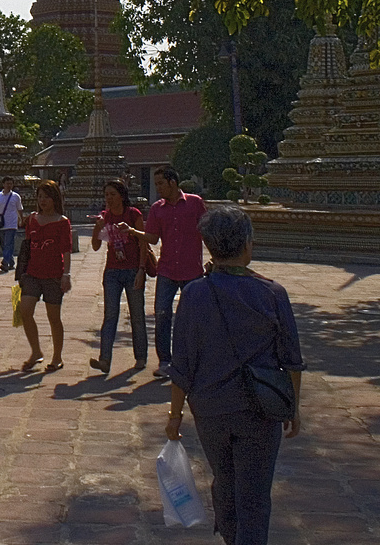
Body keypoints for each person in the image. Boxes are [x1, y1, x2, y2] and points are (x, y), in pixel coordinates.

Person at [164, 204, 304, 545]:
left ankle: (230, 536)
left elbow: (182, 363)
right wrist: (293, 406)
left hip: (210, 410)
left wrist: (174, 415)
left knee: (225, 481)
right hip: (260, 408)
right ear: (247, 244)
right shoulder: (272, 293)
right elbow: (291, 361)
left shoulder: (194, 293)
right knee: (254, 496)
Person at [142, 165, 207, 378]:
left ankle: (192, 360)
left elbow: (206, 231)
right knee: (161, 315)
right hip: (167, 269)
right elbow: (152, 237)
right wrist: (132, 232)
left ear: (172, 182)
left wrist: (216, 258)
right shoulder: (157, 209)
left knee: (192, 318)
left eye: (161, 183)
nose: (158, 188)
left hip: (192, 270)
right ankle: (165, 361)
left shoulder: (195, 203)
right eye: (156, 184)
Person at [89, 178, 147, 374]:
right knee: (110, 316)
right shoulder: (105, 217)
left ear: (121, 196)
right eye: (106, 195)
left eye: (113, 194)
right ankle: (104, 359)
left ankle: (140, 356)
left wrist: (141, 269)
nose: (109, 198)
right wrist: (98, 227)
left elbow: (143, 242)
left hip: (132, 269)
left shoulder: (133, 214)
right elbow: (96, 246)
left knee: (137, 316)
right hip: (112, 271)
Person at [16, 180, 73, 372]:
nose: (42, 201)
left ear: (54, 198)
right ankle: (36, 351)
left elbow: (66, 250)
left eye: (46, 197)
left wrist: (66, 275)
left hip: (53, 275)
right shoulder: (32, 219)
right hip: (32, 273)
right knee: (25, 310)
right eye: (39, 197)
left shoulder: (62, 222)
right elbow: (27, 246)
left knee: (53, 317)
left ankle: (57, 357)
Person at [0, 176, 24, 273]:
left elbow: (20, 209)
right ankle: (11, 261)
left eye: (11, 183)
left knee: (8, 243)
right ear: (3, 184)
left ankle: (5, 262)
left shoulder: (16, 196)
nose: (9, 185)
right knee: (4, 244)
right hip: (1, 223)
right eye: (7, 183)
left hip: (11, 223)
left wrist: (21, 219)